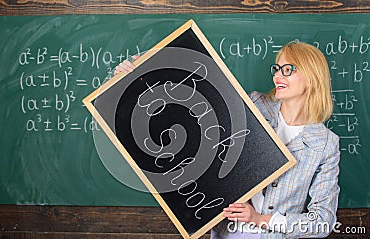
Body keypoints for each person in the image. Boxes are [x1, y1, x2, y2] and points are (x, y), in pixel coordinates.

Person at [114, 41, 340, 239]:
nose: (277, 76)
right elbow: (191, 111)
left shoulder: (325, 144)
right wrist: (134, 76)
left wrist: (262, 219)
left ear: (312, 77)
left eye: (288, 69)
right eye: (277, 68)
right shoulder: (255, 105)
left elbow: (323, 221)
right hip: (227, 232)